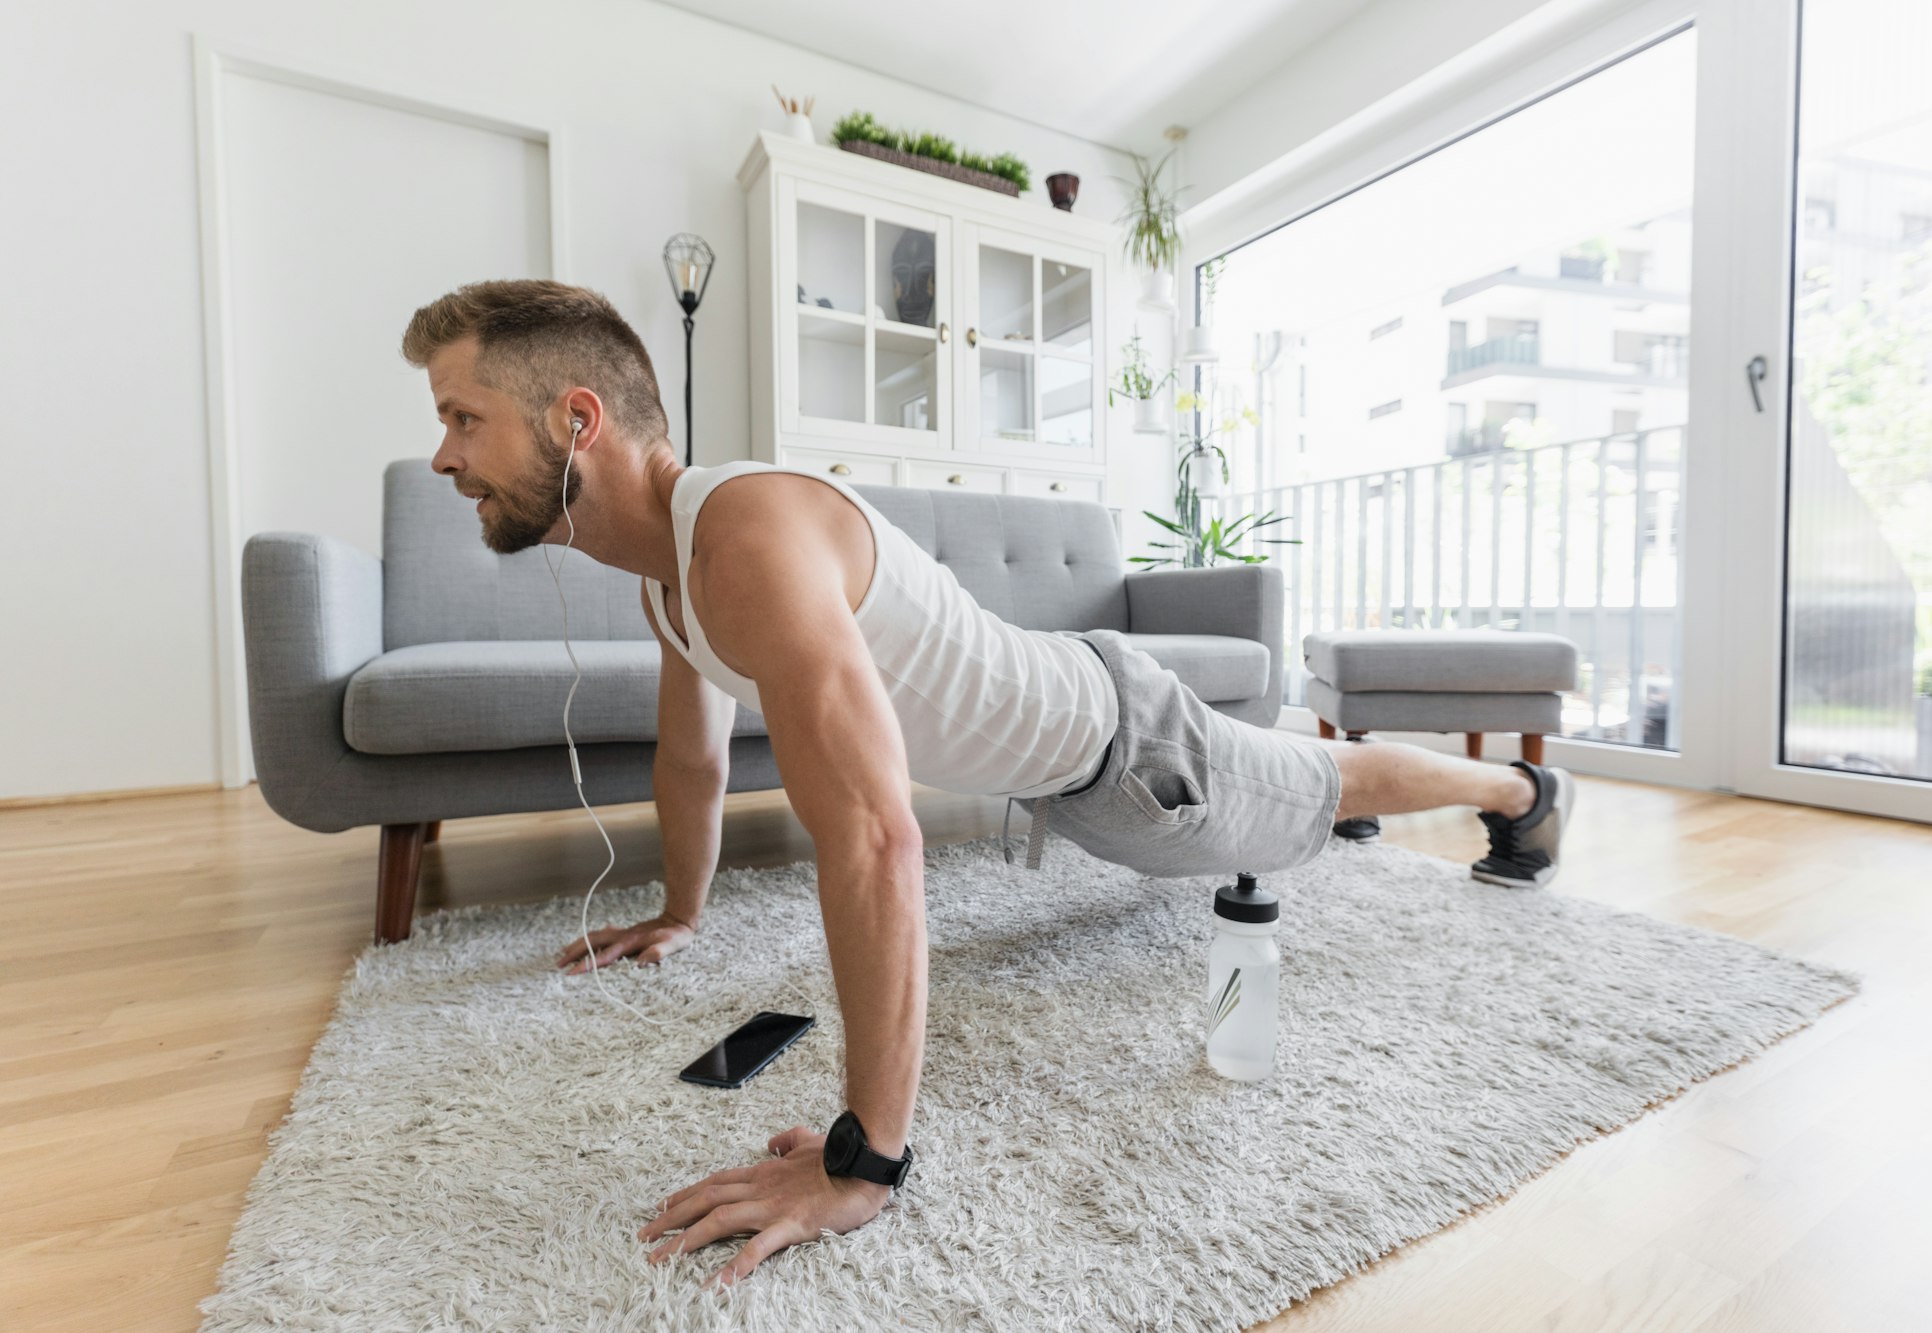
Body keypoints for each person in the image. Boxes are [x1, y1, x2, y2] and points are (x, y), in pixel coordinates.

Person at [401, 278, 1577, 1288]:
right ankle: (1461, 797)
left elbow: (871, 837)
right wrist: (679, 913)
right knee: (1314, 785)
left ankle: (1519, 797)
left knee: (1323, 783)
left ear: (577, 418)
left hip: (1131, 754)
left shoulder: (745, 533)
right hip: (1065, 775)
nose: (445, 453)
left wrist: (863, 1159)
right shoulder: (670, 575)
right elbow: (690, 756)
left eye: (464, 416)